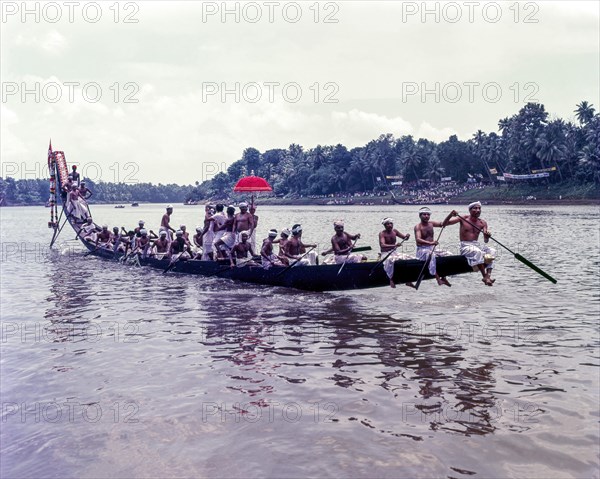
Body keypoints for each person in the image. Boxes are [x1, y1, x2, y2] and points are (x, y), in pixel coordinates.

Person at [446, 201, 496, 286]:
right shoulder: (463, 218)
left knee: (492, 251)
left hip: (476, 245)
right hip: (465, 245)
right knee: (478, 252)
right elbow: (445, 223)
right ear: (470, 210)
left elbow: (485, 240)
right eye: (475, 208)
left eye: (479, 208)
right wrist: (450, 215)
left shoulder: (482, 223)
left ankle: (488, 275)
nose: (478, 210)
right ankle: (484, 276)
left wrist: (487, 236)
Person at [414, 207, 454, 287]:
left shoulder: (431, 224)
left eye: (428, 214)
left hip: (432, 248)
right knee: (431, 255)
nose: (426, 216)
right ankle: (438, 279)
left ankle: (444, 277)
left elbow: (443, 224)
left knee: (449, 254)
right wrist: (430, 242)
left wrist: (450, 215)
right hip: (422, 250)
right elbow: (418, 239)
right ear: (420, 216)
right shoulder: (418, 226)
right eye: (424, 214)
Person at [378, 217, 412, 288]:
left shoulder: (395, 231)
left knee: (408, 258)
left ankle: (408, 280)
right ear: (384, 225)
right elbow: (382, 245)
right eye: (388, 224)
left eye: (391, 223)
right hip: (385, 254)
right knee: (390, 260)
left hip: (394, 252)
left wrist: (407, 236)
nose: (390, 225)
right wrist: (395, 245)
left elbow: (404, 238)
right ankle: (391, 279)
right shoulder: (382, 234)